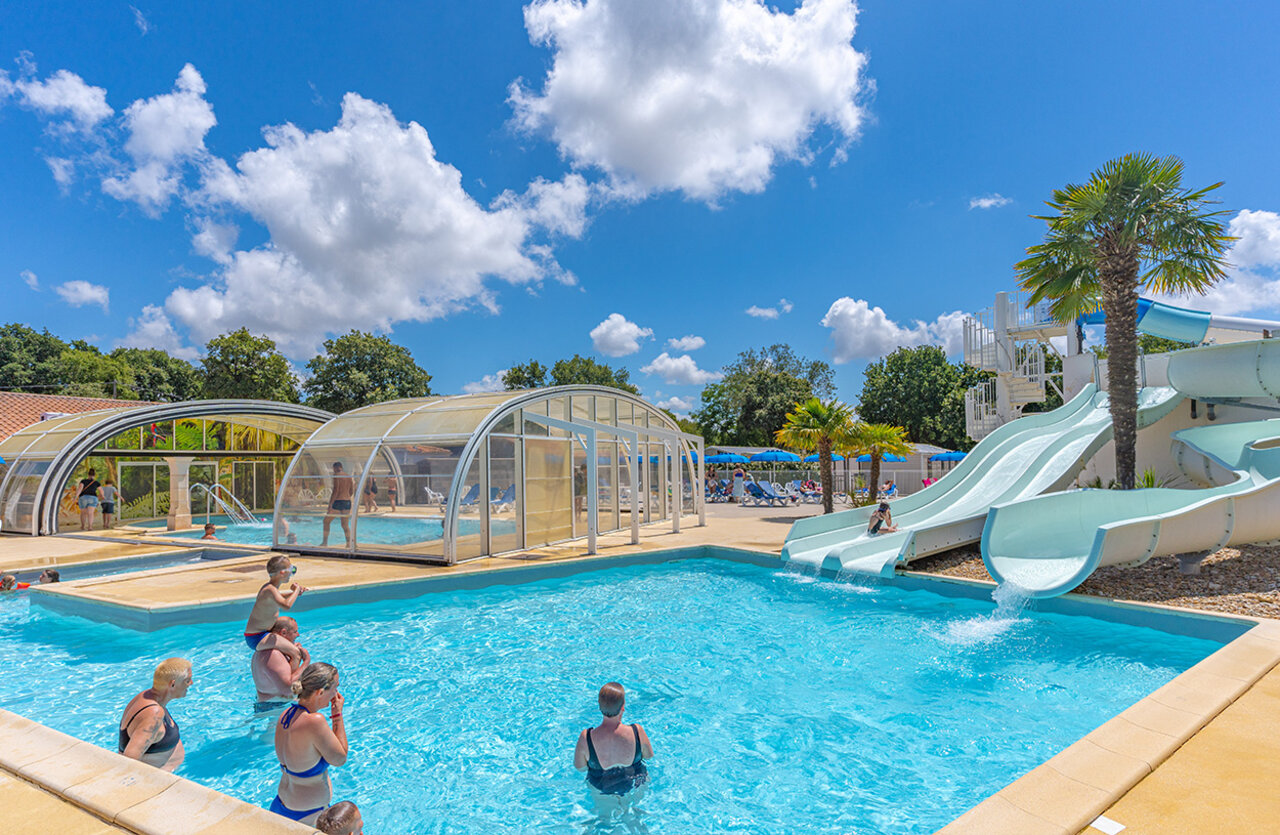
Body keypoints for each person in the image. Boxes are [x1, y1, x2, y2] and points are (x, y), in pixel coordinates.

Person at [272, 662, 348, 825]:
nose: (337, 693)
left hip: (281, 805)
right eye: (335, 688)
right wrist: (337, 715)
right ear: (320, 692)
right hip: (307, 814)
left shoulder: (286, 715)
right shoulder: (314, 722)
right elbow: (340, 759)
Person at [574, 682, 653, 796]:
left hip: (601, 789)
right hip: (635, 785)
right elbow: (649, 756)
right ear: (623, 707)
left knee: (604, 814)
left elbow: (580, 767)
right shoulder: (637, 731)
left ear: (599, 705)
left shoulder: (586, 737)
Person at [118, 658, 192, 772]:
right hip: (157, 780)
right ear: (172, 684)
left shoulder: (146, 696)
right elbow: (128, 761)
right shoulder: (153, 714)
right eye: (187, 680)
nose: (191, 683)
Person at [244, 555, 308, 649]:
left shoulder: (270, 588)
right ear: (282, 573)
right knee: (295, 653)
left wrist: (294, 593)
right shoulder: (269, 589)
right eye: (291, 570)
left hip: (264, 633)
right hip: (256, 637)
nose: (292, 573)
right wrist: (296, 590)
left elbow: (280, 598)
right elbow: (286, 605)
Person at [252, 617, 310, 703]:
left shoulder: (269, 651)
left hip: (273, 704)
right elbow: (287, 689)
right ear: (283, 633)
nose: (298, 635)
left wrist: (294, 655)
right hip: (274, 708)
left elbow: (287, 677)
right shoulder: (273, 654)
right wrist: (306, 662)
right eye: (295, 632)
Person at [321, 462, 355, 547]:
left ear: (336, 468)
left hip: (338, 502)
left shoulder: (336, 476)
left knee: (326, 521)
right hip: (347, 502)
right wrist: (346, 496)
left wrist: (330, 504)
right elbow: (351, 491)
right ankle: (348, 543)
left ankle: (325, 542)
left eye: (333, 469)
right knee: (345, 525)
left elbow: (335, 490)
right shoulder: (348, 476)